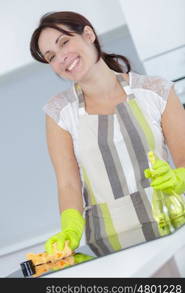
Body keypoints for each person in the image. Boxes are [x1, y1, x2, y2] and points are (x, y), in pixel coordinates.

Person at [30, 11, 185, 257]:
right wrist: (70, 229)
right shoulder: (59, 114)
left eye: (64, 42)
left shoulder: (156, 91)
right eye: (51, 57)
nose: (62, 58)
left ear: (88, 34)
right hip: (108, 246)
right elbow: (68, 184)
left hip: (174, 229)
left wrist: (179, 179)